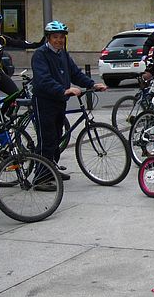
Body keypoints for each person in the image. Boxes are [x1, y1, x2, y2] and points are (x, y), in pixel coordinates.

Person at [32, 21, 106, 184]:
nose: (59, 40)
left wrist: (92, 84)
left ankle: (51, 168)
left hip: (59, 102)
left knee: (57, 137)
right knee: (47, 139)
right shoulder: (40, 54)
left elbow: (75, 73)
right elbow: (43, 79)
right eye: (55, 37)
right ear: (48, 38)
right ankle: (40, 178)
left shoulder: (62, 54)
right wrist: (64, 90)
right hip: (44, 101)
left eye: (61, 37)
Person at [0, 10, 44, 125]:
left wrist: (36, 44)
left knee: (15, 93)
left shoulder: (2, 39)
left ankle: (3, 114)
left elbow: (19, 43)